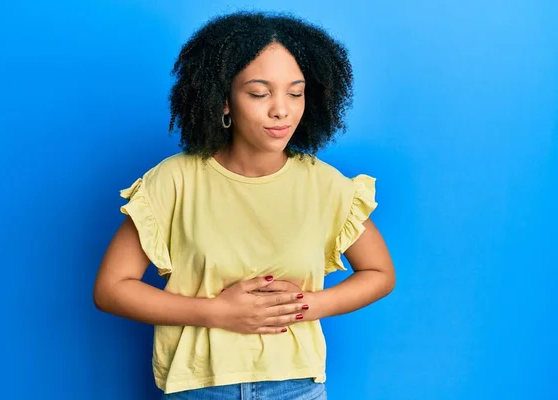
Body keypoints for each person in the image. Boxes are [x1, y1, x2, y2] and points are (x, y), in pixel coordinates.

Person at [93, 11, 395, 399]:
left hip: (296, 387)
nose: (281, 110)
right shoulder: (174, 180)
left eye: (295, 92)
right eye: (258, 93)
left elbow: (379, 272)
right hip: (199, 387)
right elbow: (111, 289)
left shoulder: (326, 185)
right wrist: (217, 313)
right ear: (223, 101)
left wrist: (309, 305)